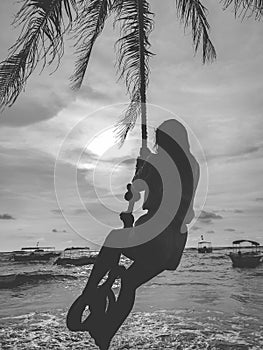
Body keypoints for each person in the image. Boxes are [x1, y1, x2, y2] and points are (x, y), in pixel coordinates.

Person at [67, 119, 200, 349]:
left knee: (112, 240)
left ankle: (87, 296)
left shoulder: (160, 162)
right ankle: (106, 332)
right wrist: (147, 163)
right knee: (128, 282)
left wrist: (144, 165)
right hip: (174, 244)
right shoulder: (192, 165)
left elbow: (138, 188)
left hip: (156, 237)